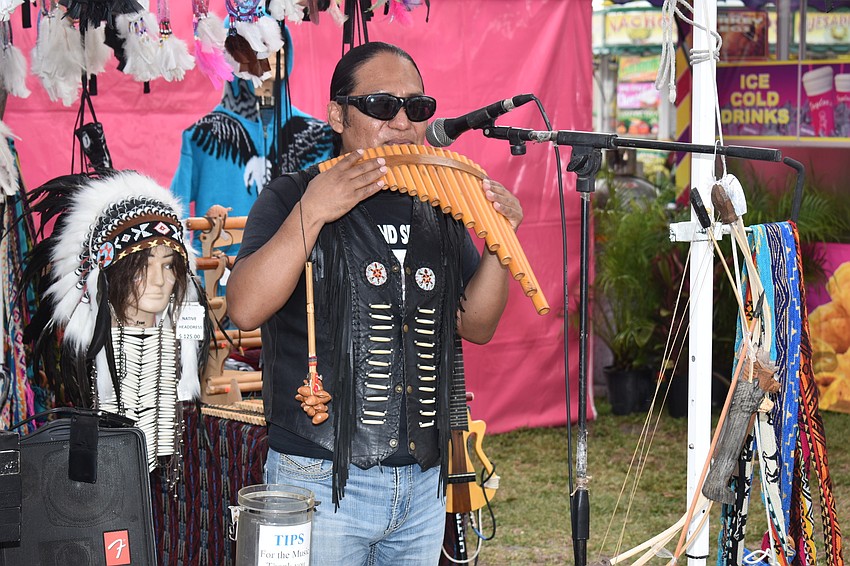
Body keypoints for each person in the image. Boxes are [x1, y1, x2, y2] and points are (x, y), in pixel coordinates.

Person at [226, 41, 522, 565]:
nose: (402, 121)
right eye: (382, 105)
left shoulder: (440, 204)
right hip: (316, 476)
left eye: (418, 107)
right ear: (338, 114)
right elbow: (245, 308)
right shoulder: (291, 194)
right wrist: (312, 212)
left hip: (423, 480)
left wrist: (501, 244)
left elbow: (475, 325)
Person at [22, 170, 206, 475]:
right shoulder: (96, 353)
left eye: (168, 265)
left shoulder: (179, 332)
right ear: (107, 277)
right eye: (141, 269)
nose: (159, 281)